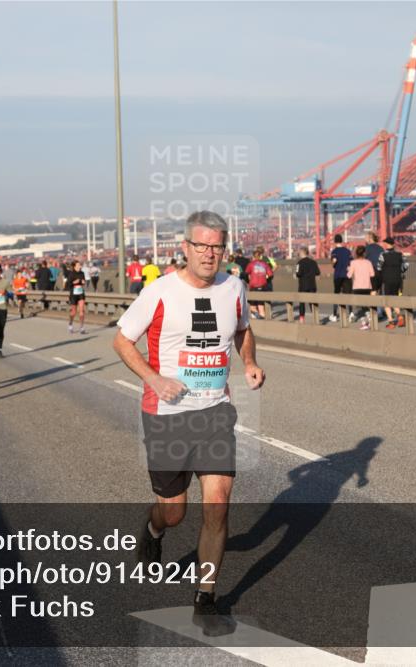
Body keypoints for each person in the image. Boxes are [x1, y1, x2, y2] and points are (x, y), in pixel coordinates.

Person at [113, 210, 265, 637]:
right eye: (201, 245)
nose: (209, 253)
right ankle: (152, 528)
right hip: (166, 416)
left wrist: (250, 362)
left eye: (216, 246)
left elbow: (243, 328)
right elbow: (121, 339)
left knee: (217, 506)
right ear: (185, 248)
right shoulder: (159, 291)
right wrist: (154, 378)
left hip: (215, 412)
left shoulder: (234, 287)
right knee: (174, 512)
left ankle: (206, 598)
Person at [377, 237, 409, 329]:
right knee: (394, 298)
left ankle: (391, 322)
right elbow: (406, 265)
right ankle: (399, 316)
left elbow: (379, 267)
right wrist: (400, 271)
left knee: (386, 301)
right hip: (397, 280)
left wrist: (382, 275)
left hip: (387, 280)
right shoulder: (400, 254)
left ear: (386, 244)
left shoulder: (382, 255)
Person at [347, 245, 375, 329]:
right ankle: (370, 318)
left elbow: (349, 276)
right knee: (366, 305)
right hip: (367, 286)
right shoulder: (368, 262)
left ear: (356, 253)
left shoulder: (353, 263)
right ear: (364, 253)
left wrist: (348, 269)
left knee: (359, 306)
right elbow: (372, 274)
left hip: (357, 287)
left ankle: (364, 323)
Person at [293, 247, 320, 322]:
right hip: (312, 285)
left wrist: (295, 275)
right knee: (313, 302)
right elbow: (318, 272)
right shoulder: (313, 262)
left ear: (301, 253)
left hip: (303, 286)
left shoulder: (299, 263)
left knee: (302, 303)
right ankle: (315, 318)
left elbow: (298, 273)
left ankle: (302, 318)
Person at [330, 234, 352, 323]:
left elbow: (334, 261)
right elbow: (351, 262)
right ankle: (351, 313)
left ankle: (335, 315)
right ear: (342, 241)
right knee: (348, 294)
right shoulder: (347, 251)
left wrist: (333, 264)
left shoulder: (334, 251)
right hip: (346, 275)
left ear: (335, 242)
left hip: (338, 275)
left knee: (337, 294)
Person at [246, 249, 272, 319]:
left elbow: (246, 274)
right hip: (263, 286)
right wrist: (266, 281)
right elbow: (270, 275)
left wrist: (248, 281)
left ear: (253, 256)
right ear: (260, 256)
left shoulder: (251, 264)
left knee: (252, 307)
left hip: (253, 287)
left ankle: (256, 321)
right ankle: (263, 323)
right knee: (261, 307)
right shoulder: (265, 264)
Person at [65, 260, 88, 334]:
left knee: (81, 310)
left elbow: (83, 282)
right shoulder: (71, 274)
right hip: (73, 294)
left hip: (81, 293)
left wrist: (83, 282)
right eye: (78, 265)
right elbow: (68, 284)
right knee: (73, 312)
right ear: (74, 266)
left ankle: (82, 327)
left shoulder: (82, 273)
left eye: (80, 265)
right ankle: (70, 324)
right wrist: (73, 282)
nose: (79, 266)